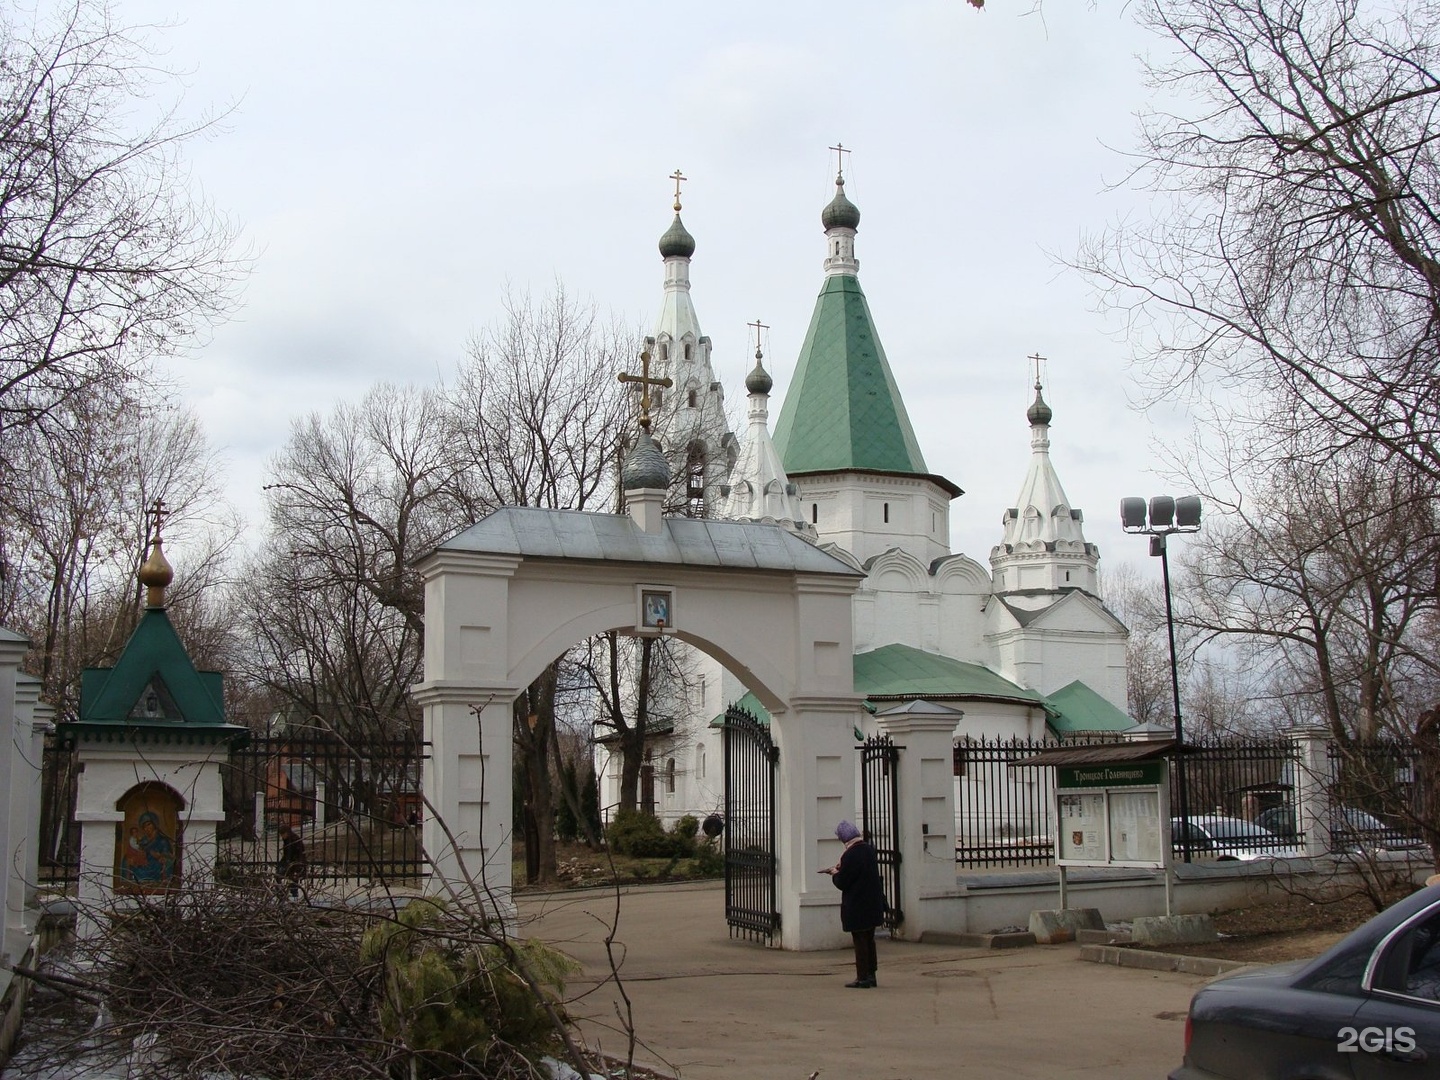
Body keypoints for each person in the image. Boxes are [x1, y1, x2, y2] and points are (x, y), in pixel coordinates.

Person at [821, 819, 888, 988]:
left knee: (859, 940)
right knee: (869, 939)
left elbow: (843, 882)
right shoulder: (868, 850)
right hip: (872, 903)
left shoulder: (850, 854)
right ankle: (872, 975)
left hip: (858, 905)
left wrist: (836, 873)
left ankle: (862, 977)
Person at [276, 822, 307, 898]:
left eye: (283, 834)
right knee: (278, 874)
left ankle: (293, 894)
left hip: (295, 864)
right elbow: (286, 854)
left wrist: (295, 864)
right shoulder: (287, 840)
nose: (282, 837)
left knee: (293, 879)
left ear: (287, 833)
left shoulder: (294, 840)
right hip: (289, 862)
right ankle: (280, 892)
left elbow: (299, 854)